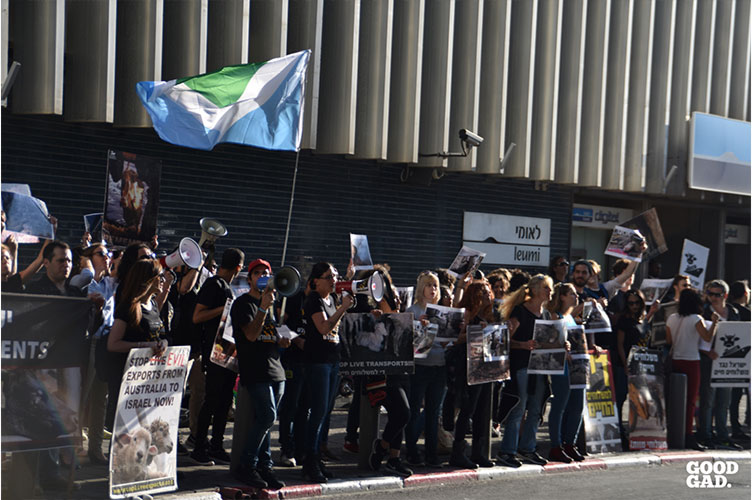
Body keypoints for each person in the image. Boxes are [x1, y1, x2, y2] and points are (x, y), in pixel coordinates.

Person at [230, 258, 290, 490]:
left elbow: (272, 333)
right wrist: (263, 307)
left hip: (276, 369)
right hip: (255, 369)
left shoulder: (272, 304)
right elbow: (251, 335)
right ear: (250, 278)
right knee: (267, 416)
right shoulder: (243, 304)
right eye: (257, 273)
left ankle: (265, 467)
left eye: (266, 272)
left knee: (266, 422)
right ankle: (247, 464)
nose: (262, 275)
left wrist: (283, 337)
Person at [190, 248, 245, 465]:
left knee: (224, 401)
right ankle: (200, 446)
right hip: (214, 353)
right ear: (238, 268)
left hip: (228, 351)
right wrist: (224, 309)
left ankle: (216, 445)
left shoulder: (228, 286)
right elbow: (197, 316)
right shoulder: (213, 284)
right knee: (211, 400)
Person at [301, 262, 353, 483]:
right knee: (318, 410)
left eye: (335, 276)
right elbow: (323, 328)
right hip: (318, 361)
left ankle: (317, 457)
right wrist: (343, 308)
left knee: (326, 410)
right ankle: (310, 459)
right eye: (329, 276)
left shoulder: (330, 299)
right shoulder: (313, 300)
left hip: (333, 361)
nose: (333, 280)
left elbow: (335, 328)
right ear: (316, 280)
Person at [497, 274, 553, 468]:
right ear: (536, 290)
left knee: (536, 410)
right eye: (547, 287)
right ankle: (508, 450)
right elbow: (503, 340)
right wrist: (523, 344)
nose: (550, 291)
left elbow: (546, 342)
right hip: (521, 366)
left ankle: (528, 448)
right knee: (518, 408)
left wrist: (562, 345)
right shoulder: (520, 312)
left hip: (540, 368)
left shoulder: (545, 314)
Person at [368, 266, 413, 477]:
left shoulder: (399, 309)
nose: (393, 292)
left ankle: (393, 456)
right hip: (382, 371)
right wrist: (373, 319)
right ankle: (382, 448)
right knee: (403, 412)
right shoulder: (370, 308)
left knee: (399, 414)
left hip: (401, 367)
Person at [447, 280, 495, 469]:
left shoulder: (490, 315)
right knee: (468, 409)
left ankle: (478, 452)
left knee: (483, 410)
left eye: (488, 292)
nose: (487, 296)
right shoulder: (467, 313)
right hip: (468, 365)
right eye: (483, 293)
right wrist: (475, 332)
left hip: (487, 366)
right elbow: (454, 338)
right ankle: (457, 452)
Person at [666, 288, 719, 450]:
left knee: (674, 399)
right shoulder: (697, 319)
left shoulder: (671, 318)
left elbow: (668, 341)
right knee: (690, 401)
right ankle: (688, 434)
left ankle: (672, 432)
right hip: (691, 360)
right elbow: (707, 337)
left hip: (675, 359)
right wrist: (715, 322)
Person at [404, 270, 446, 467]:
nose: (433, 289)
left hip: (439, 365)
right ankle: (411, 451)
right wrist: (419, 329)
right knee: (413, 410)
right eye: (429, 285)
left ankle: (431, 453)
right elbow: (410, 345)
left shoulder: (443, 311)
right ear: (422, 288)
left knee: (433, 412)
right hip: (420, 367)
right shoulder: (413, 311)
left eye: (436, 285)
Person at [698, 280, 743, 450]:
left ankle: (723, 435)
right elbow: (698, 338)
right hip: (709, 362)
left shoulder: (734, 312)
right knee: (708, 401)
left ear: (724, 295)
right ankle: (706, 434)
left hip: (728, 364)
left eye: (716, 295)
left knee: (725, 401)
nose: (713, 298)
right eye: (710, 294)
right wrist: (706, 352)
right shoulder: (703, 312)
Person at [545, 283, 585, 463]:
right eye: (572, 294)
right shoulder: (555, 316)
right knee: (560, 405)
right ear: (561, 296)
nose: (576, 297)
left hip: (578, 365)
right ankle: (556, 445)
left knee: (578, 405)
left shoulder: (572, 317)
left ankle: (571, 443)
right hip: (562, 365)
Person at [614, 289, 649, 445]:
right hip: (624, 364)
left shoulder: (642, 319)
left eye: (636, 303)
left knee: (639, 399)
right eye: (630, 303)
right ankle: (619, 430)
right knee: (621, 398)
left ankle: (637, 432)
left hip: (641, 363)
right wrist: (625, 363)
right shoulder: (624, 320)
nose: (633, 306)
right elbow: (620, 344)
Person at [727, 280, 750, 440]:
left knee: (729, 397)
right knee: (737, 395)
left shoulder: (727, 310)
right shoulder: (747, 313)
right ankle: (736, 427)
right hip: (743, 360)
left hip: (727, 361)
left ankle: (733, 425)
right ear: (745, 294)